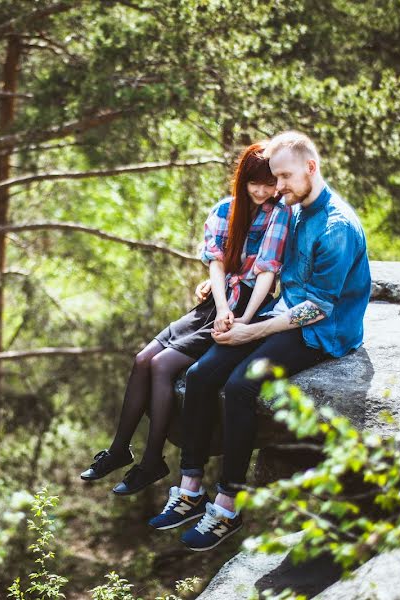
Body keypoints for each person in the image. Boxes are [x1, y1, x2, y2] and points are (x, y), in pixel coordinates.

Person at [150, 130, 371, 552]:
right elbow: (261, 264)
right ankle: (190, 488)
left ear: (311, 167)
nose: (278, 187)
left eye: (285, 177)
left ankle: (227, 508)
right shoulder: (295, 209)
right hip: (282, 314)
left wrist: (252, 331)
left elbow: (320, 307)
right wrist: (219, 285)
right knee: (200, 375)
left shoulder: (337, 227)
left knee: (239, 385)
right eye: (274, 177)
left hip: (323, 331)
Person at [80, 142, 291, 495]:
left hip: (245, 308)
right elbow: (217, 263)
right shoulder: (226, 209)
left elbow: (267, 272)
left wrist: (242, 319)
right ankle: (118, 450)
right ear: (243, 179)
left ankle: (152, 462)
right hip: (218, 304)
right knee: (143, 359)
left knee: (163, 366)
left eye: (270, 183)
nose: (263, 190)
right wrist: (221, 305)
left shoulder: (279, 214)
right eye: (256, 182)